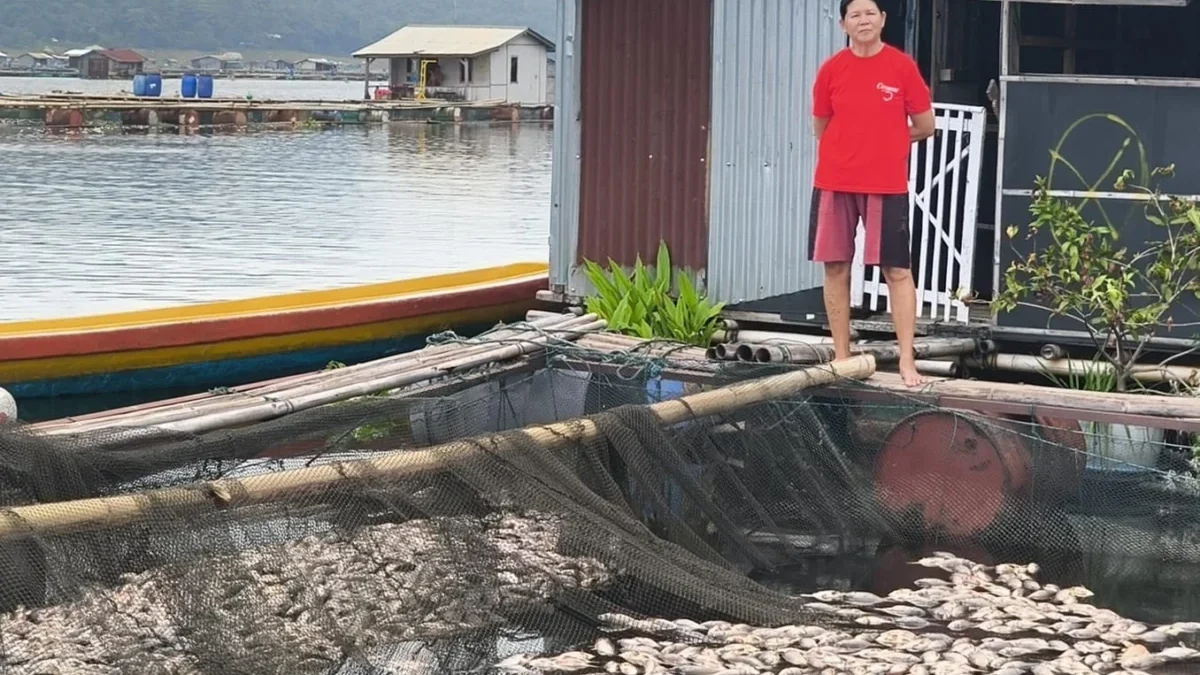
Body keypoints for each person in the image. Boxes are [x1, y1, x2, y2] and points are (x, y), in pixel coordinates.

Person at [810, 0, 935, 387]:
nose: (863, 20)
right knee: (835, 267)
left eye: (870, 13)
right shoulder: (832, 70)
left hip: (886, 183)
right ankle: (842, 356)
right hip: (835, 181)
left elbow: (925, 125)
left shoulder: (901, 66)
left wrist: (888, 141)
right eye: (854, 14)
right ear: (844, 23)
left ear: (883, 20)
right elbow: (821, 126)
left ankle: (907, 361)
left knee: (897, 270)